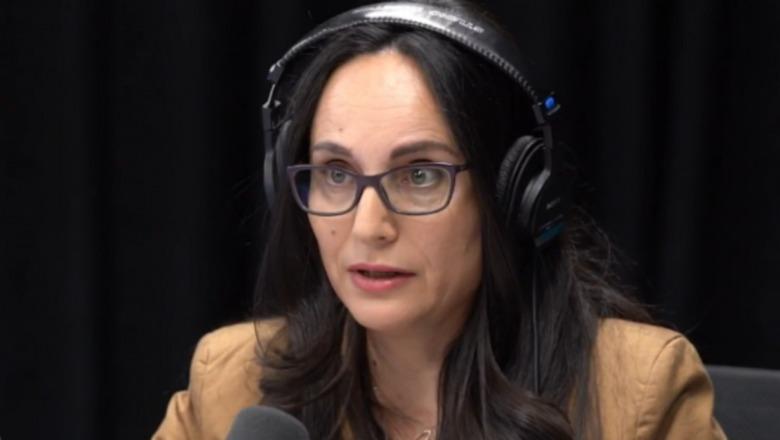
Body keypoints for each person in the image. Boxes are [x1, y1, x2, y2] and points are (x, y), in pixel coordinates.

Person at [154, 1, 726, 439]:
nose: (368, 227)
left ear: (511, 194)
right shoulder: (231, 382)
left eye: (420, 174)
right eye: (336, 173)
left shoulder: (639, 393)